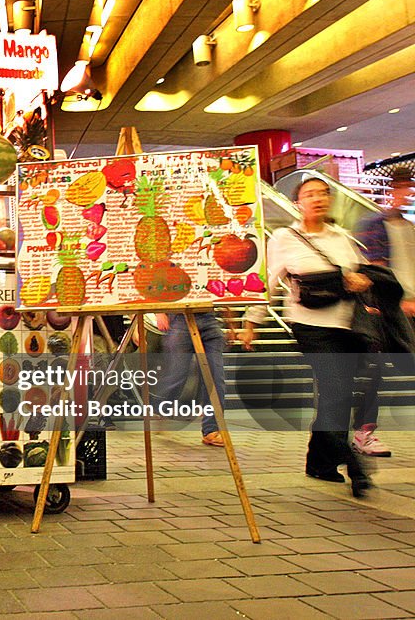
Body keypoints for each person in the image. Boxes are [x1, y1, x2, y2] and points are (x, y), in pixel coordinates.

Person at [240, 175, 373, 496]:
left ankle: (320, 463)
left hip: (345, 326)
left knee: (336, 395)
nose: (318, 199)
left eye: (324, 193)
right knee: (335, 390)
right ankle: (354, 466)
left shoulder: (341, 238)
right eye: (310, 194)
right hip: (309, 327)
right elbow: (267, 281)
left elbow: (363, 273)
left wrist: (360, 281)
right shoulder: (285, 237)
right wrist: (252, 321)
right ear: (298, 204)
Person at [351, 166, 415, 457]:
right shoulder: (373, 224)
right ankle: (363, 432)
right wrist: (395, 301)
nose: (406, 194)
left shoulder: (410, 227)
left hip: (410, 307)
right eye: (401, 188)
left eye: (409, 187)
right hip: (387, 310)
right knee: (374, 370)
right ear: (390, 191)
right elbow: (372, 268)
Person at [154, 311, 231, 447]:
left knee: (215, 377)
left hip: (209, 317)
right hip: (180, 317)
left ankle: (211, 430)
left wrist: (231, 322)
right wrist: (159, 312)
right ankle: (160, 406)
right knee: (178, 374)